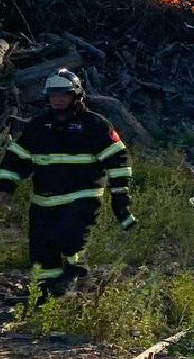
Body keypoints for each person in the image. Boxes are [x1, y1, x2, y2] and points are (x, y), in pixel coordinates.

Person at [0, 69, 137, 298]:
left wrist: (120, 196)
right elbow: (15, 161)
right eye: (54, 94)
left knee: (72, 238)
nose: (59, 98)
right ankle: (48, 296)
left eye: (64, 93)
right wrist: (4, 190)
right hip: (43, 202)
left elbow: (119, 159)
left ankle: (77, 276)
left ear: (76, 95)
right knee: (43, 251)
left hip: (82, 197)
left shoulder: (94, 125)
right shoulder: (38, 127)